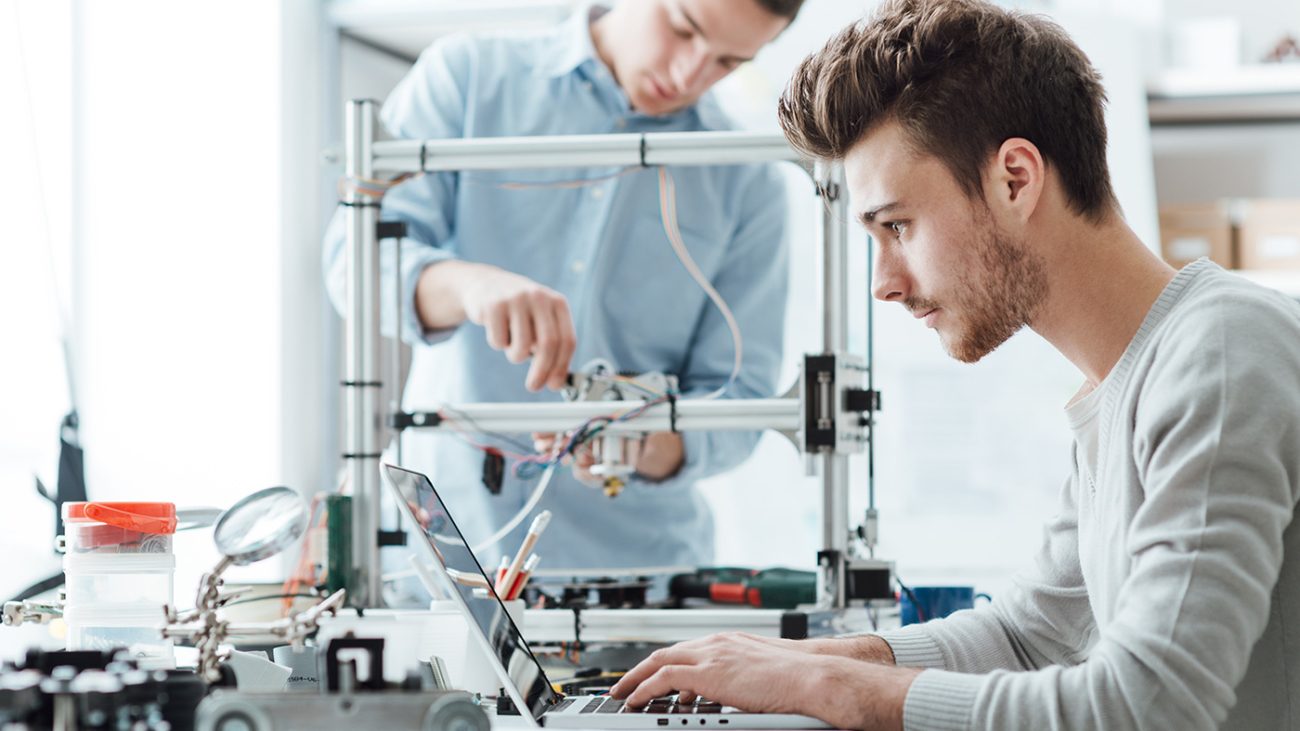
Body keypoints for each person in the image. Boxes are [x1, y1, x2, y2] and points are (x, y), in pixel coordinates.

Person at [610, 0, 1300, 728]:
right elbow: (1030, 635)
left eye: (897, 225)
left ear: (1015, 179)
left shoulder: (1220, 353)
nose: (884, 281)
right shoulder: (1127, 375)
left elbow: (1148, 704)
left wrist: (836, 692)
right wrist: (815, 660)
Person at [322, 0, 803, 573]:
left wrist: (640, 440)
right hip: (439, 557)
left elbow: (741, 400)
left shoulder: (746, 177)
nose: (687, 76)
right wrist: (469, 285)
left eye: (727, 61)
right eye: (682, 28)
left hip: (635, 583)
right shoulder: (469, 76)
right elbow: (355, 262)